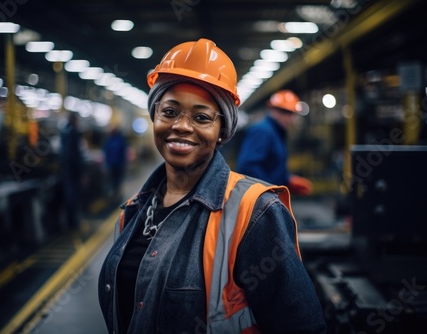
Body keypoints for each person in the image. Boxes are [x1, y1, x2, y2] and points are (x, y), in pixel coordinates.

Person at [98, 38, 326, 334]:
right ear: (155, 117)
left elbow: (302, 327)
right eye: (169, 111)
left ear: (222, 132)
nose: (181, 125)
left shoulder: (255, 214)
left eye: (201, 117)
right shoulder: (133, 211)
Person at [236, 89, 313, 196]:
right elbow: (248, 167)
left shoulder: (277, 133)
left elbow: (273, 167)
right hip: (260, 199)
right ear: (273, 110)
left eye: (291, 114)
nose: (290, 118)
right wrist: (270, 190)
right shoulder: (262, 131)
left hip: (270, 197)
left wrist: (288, 180)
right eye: (285, 113)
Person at [59, 111, 84, 230]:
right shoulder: (73, 134)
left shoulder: (64, 132)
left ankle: (70, 221)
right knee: (73, 197)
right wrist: (80, 170)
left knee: (70, 197)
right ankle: (72, 223)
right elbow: (73, 155)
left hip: (67, 171)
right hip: (72, 172)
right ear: (74, 120)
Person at [104, 126, 128, 199]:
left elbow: (123, 152)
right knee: (113, 180)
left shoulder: (119, 140)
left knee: (118, 180)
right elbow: (106, 153)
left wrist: (124, 163)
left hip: (118, 164)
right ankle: (114, 194)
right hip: (111, 165)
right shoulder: (109, 140)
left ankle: (117, 194)